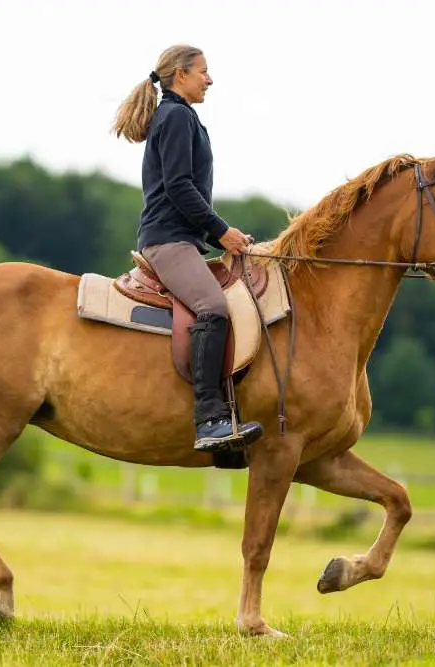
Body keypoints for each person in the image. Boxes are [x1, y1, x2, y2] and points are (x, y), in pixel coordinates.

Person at [113, 44, 264, 453]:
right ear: (181, 74)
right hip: (168, 241)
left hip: (181, 239)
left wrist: (221, 237)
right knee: (213, 307)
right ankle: (209, 418)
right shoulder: (176, 116)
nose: (209, 80)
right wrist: (222, 232)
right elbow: (180, 187)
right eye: (204, 72)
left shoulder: (181, 116)